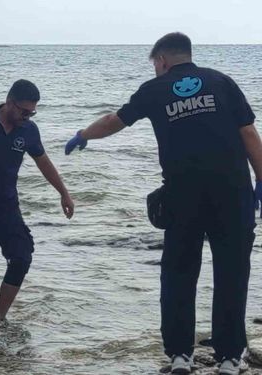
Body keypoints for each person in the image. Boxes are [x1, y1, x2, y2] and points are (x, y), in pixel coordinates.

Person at [64, 32, 260, 375]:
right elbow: (248, 134)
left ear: (162, 60)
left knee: (178, 274)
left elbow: (114, 121)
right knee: (232, 273)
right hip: (232, 193)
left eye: (154, 63)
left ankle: (180, 355)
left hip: (182, 196)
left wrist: (83, 135)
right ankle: (229, 358)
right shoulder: (222, 81)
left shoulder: (154, 89)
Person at [0, 79, 74, 321]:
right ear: (9, 102)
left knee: (21, 257)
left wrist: (63, 192)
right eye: (23, 111)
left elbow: (42, 161)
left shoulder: (28, 130)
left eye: (32, 112)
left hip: (6, 207)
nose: (27, 116)